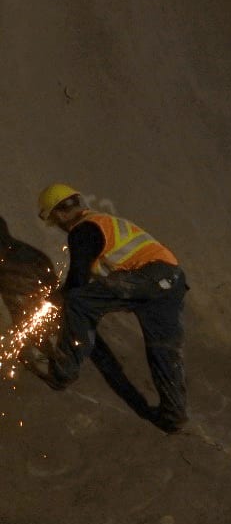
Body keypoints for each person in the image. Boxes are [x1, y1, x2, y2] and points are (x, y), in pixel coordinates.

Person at [35, 183, 190, 433]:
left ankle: (61, 372)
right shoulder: (104, 222)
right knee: (164, 349)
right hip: (172, 279)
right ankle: (174, 416)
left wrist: (55, 300)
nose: (59, 225)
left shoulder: (82, 230)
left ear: (60, 214)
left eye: (55, 220)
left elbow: (78, 282)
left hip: (146, 278)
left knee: (79, 302)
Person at [0, 214, 59, 362]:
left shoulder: (8, 266)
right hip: (45, 287)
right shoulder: (27, 251)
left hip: (27, 290)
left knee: (26, 318)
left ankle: (47, 353)